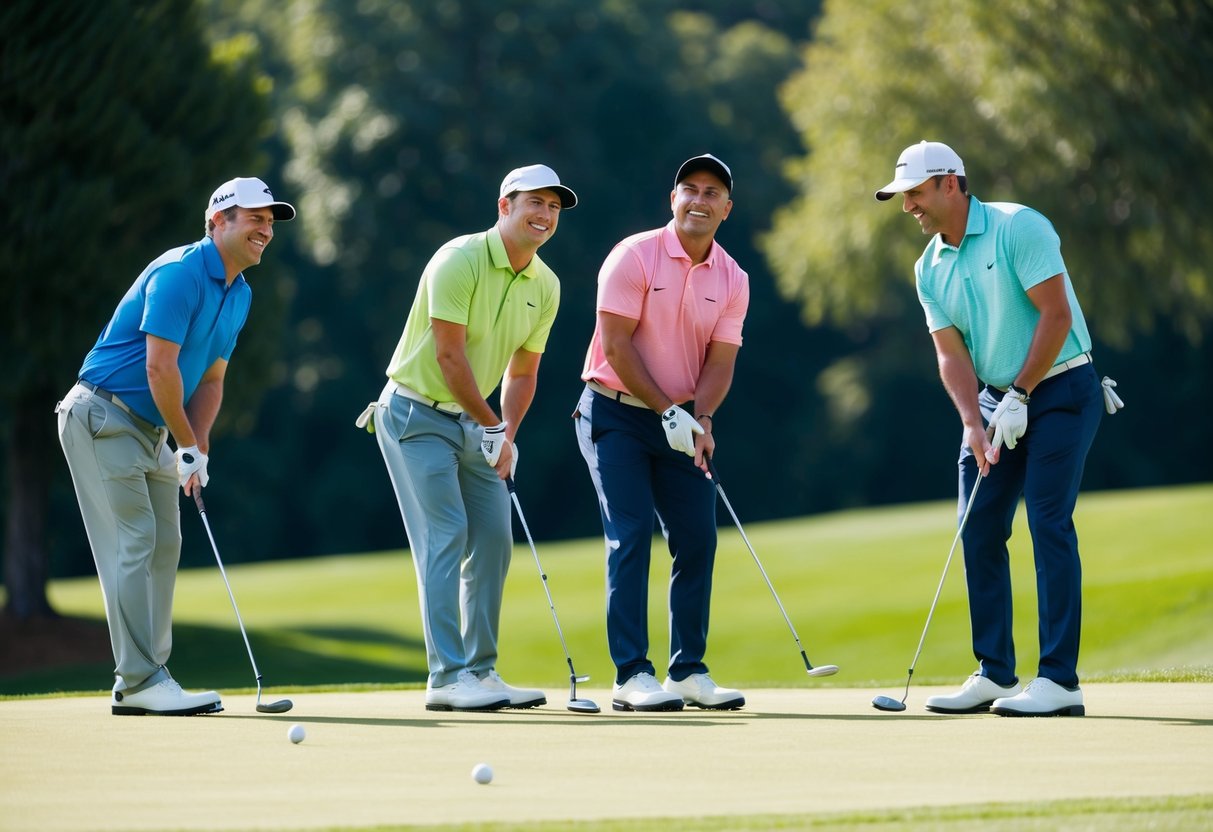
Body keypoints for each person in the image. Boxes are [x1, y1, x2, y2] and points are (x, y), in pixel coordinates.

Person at [875, 140, 1107, 717]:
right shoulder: (928, 266)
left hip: (1062, 388)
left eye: (916, 193)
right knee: (976, 526)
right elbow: (950, 354)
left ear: (950, 183)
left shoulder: (1017, 227)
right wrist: (973, 421)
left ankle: (1059, 680)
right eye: (903, 197)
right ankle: (996, 672)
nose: (909, 207)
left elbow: (1054, 315)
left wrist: (1023, 391)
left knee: (1046, 518)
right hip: (995, 398)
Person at [56, 176, 296, 715]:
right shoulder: (180, 272)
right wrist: (184, 441)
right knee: (134, 541)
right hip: (102, 415)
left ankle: (146, 677)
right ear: (218, 221)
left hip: (155, 430)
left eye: (270, 221)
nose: (265, 229)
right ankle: (140, 680)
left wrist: (198, 449)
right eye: (254, 218)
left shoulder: (240, 294)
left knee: (166, 546)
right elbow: (159, 366)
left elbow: (210, 380)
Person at [357, 164, 577, 711]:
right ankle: (446, 677)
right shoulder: (458, 259)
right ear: (505, 206)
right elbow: (448, 356)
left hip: (476, 422)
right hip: (414, 414)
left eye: (553, 207)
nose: (545, 215)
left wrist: (507, 435)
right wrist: (491, 424)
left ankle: (480, 673)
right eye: (535, 203)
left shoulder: (546, 285)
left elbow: (523, 373)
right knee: (445, 533)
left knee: (495, 539)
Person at [574, 154, 750, 712]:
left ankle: (687, 670)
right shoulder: (633, 256)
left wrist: (699, 417)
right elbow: (617, 346)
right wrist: (667, 411)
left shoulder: (733, 278)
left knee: (698, 537)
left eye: (712, 192)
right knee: (630, 533)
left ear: (727, 208)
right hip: (613, 412)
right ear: (672, 199)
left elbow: (720, 362)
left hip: (681, 420)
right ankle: (631, 674)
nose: (699, 199)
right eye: (689, 189)